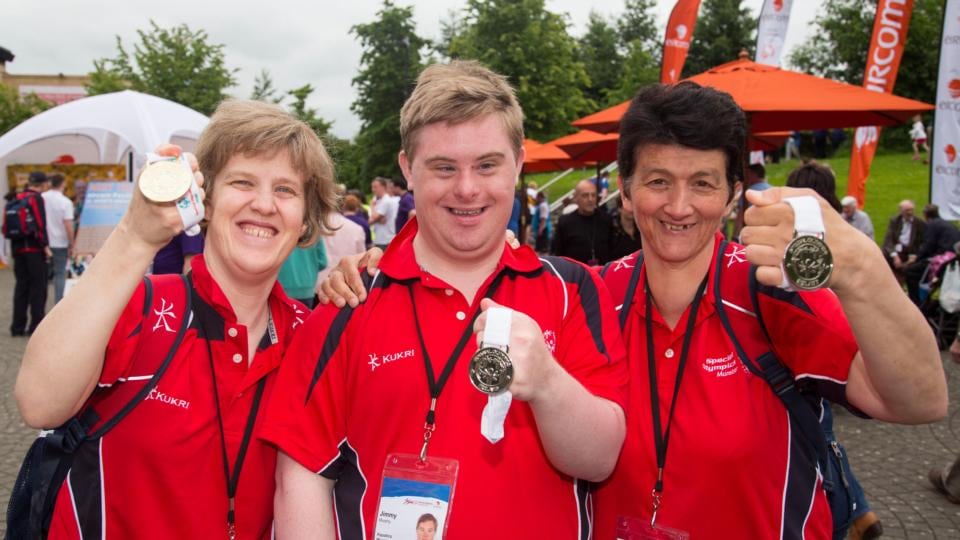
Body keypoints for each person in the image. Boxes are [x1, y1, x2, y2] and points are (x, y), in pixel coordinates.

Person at [261, 60, 627, 539]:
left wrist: (548, 385)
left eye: (487, 165)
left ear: (517, 163)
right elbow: (301, 476)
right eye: (444, 167)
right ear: (408, 169)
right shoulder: (347, 304)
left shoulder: (571, 288)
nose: (467, 188)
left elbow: (600, 461)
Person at [591, 82, 946, 539]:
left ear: (732, 195)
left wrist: (859, 267)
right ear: (625, 190)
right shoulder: (593, 297)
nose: (678, 207)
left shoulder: (767, 290)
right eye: (658, 181)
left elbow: (920, 401)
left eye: (703, 183)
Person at [14, 100, 338, 538]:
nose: (264, 204)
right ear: (204, 201)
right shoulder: (141, 306)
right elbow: (39, 402)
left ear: (304, 220)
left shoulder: (313, 337)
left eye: (286, 190)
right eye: (243, 182)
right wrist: (134, 234)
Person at [6, 171, 50, 336]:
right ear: (42, 183)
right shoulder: (36, 199)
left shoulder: (15, 198)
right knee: (38, 288)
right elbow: (40, 224)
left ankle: (17, 327)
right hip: (34, 250)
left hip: (17, 249)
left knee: (21, 287)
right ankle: (36, 326)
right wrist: (45, 245)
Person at [903, 204, 960, 305]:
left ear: (925, 215)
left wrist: (916, 259)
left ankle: (915, 302)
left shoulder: (932, 226)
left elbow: (927, 246)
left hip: (943, 262)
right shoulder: (947, 224)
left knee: (910, 271)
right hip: (952, 260)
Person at [551, 179, 612, 265]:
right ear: (576, 198)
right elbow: (558, 254)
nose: (590, 199)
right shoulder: (565, 222)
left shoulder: (606, 220)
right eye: (585, 195)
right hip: (575, 275)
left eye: (593, 195)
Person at [41, 174, 75, 303]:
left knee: (42, 276)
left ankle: (40, 304)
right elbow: (68, 225)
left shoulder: (42, 198)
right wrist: (72, 243)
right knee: (60, 274)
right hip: (60, 242)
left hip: (43, 243)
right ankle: (58, 303)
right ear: (63, 184)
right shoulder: (65, 202)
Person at [882, 200, 926, 283]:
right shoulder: (895, 221)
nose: (910, 212)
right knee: (884, 255)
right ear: (900, 211)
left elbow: (924, 242)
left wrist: (915, 255)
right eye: (907, 210)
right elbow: (889, 240)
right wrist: (895, 256)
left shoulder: (920, 223)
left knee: (910, 266)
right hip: (897, 250)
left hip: (911, 252)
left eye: (911, 210)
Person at [277, 242, 328, 308]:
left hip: (280, 287)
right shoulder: (314, 233)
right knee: (305, 317)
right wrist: (310, 269)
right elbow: (323, 262)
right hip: (307, 289)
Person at [369, 176, 399, 249]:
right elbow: (372, 219)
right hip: (379, 239)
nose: (373, 190)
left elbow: (374, 218)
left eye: (375, 187)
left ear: (383, 187)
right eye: (372, 187)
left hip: (386, 240)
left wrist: (372, 206)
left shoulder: (386, 201)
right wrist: (377, 219)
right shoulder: (376, 199)